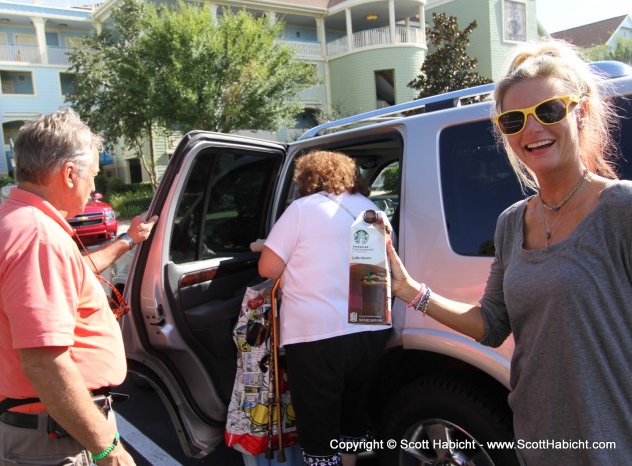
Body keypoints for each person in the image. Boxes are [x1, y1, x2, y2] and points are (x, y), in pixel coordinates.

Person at [385, 39, 632, 464]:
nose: (532, 130)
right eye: (514, 119)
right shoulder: (511, 222)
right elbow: (493, 325)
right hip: (538, 437)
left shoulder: (620, 208)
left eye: (549, 110)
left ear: (582, 111)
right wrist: (410, 291)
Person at [0, 108, 158, 466]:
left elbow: (72, 274)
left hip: (37, 429)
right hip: (53, 440)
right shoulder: (38, 236)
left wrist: (127, 241)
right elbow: (45, 364)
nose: (94, 186)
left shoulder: (4, 223)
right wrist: (107, 449)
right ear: (70, 174)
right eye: (92, 175)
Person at [259, 150, 391, 466]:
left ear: (307, 179)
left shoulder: (302, 210)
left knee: (319, 421)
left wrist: (264, 247)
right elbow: (372, 269)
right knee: (352, 411)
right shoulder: (373, 211)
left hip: (317, 335)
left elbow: (268, 268)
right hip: (370, 329)